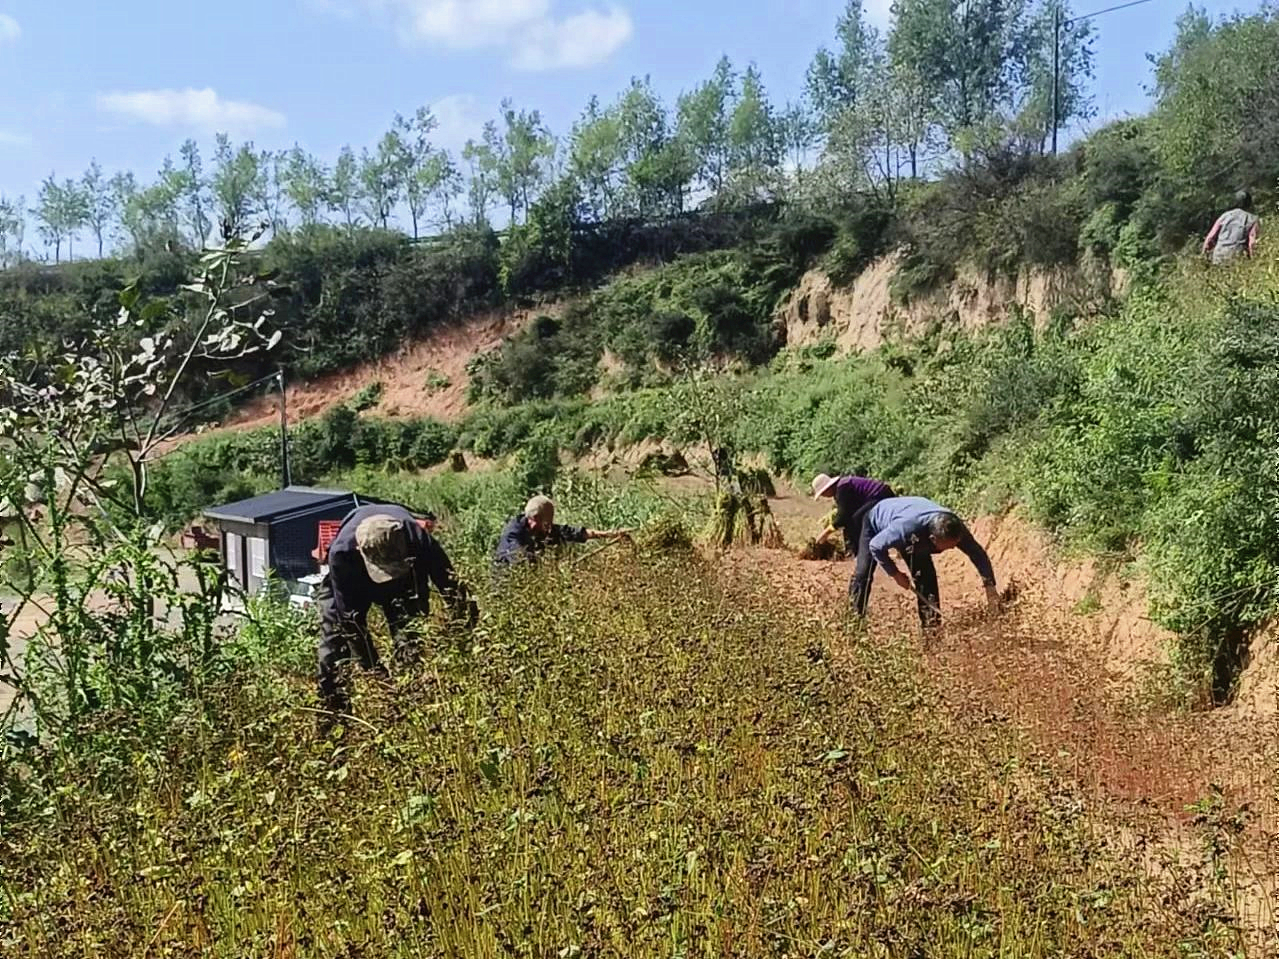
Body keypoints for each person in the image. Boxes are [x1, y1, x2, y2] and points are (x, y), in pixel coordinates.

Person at [316, 503, 475, 719]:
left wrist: (464, 634)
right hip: (353, 579)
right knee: (332, 652)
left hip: (405, 580)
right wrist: (376, 673)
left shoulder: (417, 538)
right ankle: (334, 719)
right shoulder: (342, 553)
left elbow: (450, 584)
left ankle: (412, 707)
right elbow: (350, 623)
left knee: (410, 641)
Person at [849, 496, 998, 630]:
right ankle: (853, 621)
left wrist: (990, 586)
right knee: (863, 573)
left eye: (955, 543)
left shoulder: (955, 528)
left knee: (926, 579)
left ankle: (931, 632)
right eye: (948, 545)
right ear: (933, 539)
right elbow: (876, 545)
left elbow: (977, 553)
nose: (953, 547)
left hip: (912, 523)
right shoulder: (905, 529)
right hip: (875, 520)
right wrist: (895, 573)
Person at [493, 495, 630, 570]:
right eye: (547, 523)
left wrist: (610, 534)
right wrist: (552, 568)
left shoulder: (541, 528)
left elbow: (570, 532)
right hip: (506, 588)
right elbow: (520, 559)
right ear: (535, 519)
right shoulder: (513, 534)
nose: (550, 527)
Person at [811, 472, 897, 556]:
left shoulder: (842, 488)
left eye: (823, 493)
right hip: (880, 495)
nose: (824, 496)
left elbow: (843, 516)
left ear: (827, 488)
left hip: (880, 495)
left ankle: (860, 553)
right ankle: (855, 551)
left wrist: (826, 533)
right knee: (854, 519)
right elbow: (848, 513)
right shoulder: (841, 487)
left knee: (857, 520)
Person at [1203, 191, 1260, 265]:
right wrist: (1254, 260)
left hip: (1219, 256)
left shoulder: (1225, 216)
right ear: (1249, 203)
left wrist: (1204, 255)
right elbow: (1252, 243)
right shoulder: (1252, 219)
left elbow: (1210, 237)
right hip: (1237, 257)